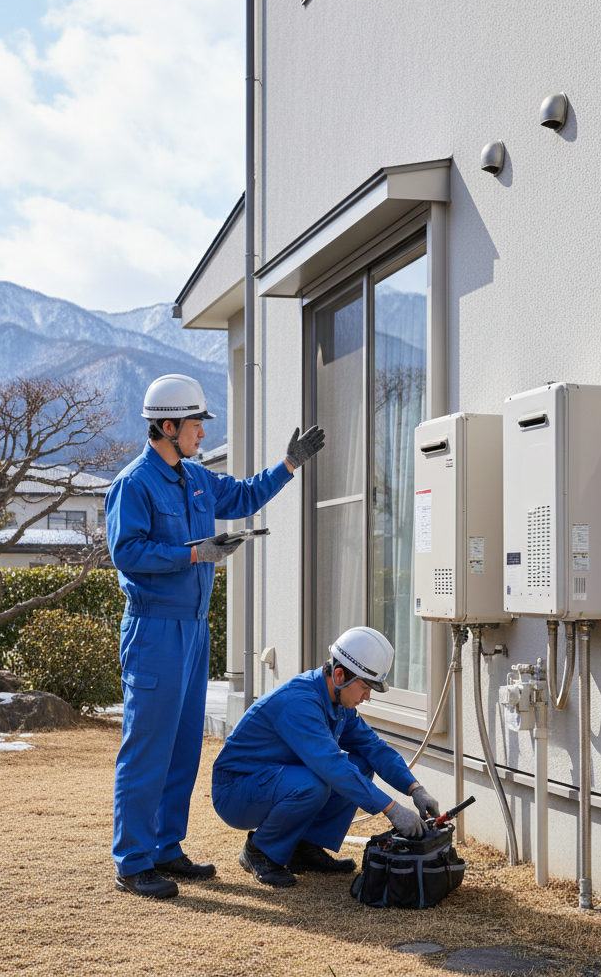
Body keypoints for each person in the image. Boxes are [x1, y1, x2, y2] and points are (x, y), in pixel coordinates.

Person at [105, 373, 326, 899]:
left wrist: (289, 465)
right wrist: (193, 553)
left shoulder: (198, 478)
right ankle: (132, 861)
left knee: (182, 747)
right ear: (167, 425)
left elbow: (246, 495)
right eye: (195, 425)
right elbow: (126, 553)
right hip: (154, 629)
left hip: (194, 631)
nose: (202, 433)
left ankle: (166, 848)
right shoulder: (133, 484)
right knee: (146, 750)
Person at [210, 626, 441, 888]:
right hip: (236, 790)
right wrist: (392, 809)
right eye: (365, 687)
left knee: (361, 764)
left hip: (270, 779)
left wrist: (415, 789)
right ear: (340, 675)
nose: (367, 697)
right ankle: (259, 852)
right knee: (316, 782)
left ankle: (305, 848)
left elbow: (373, 747)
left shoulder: (338, 702)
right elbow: (332, 766)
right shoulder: (299, 703)